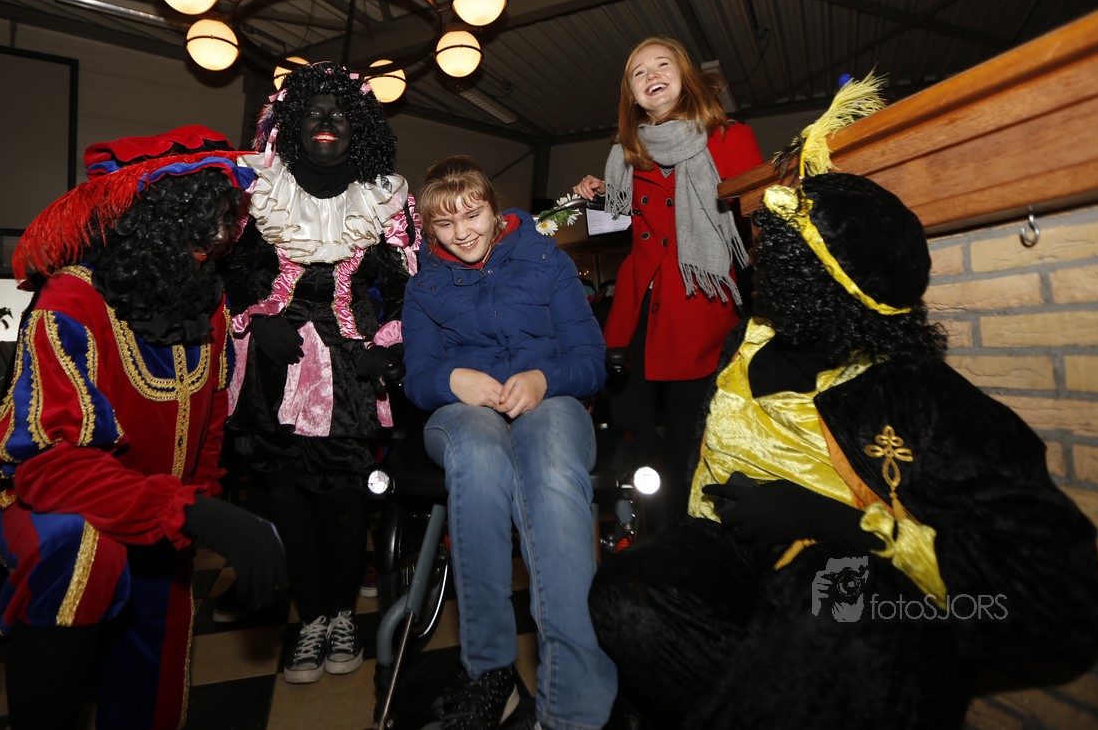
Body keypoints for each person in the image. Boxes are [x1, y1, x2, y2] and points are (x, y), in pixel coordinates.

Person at [587, 80, 1098, 729]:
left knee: (825, 609)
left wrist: (837, 523)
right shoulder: (742, 344)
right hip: (727, 556)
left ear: (822, 292)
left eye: (781, 260)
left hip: (840, 571)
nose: (759, 262)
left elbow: (1060, 602)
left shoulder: (917, 398)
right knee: (624, 594)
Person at [0, 125, 288, 730]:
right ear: (161, 218)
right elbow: (49, 467)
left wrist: (200, 502)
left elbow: (210, 418)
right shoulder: (71, 302)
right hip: (64, 514)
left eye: (230, 219)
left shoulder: (206, 299)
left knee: (152, 699)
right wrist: (193, 512)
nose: (224, 237)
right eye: (208, 219)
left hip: (161, 518)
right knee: (82, 550)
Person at [402, 155, 616, 730]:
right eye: (445, 223)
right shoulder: (423, 285)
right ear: (429, 228)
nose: (462, 232)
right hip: (463, 411)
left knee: (551, 474)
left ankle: (575, 708)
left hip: (551, 399)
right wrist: (452, 380)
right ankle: (490, 673)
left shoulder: (547, 260)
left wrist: (545, 378)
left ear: (495, 210)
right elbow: (416, 377)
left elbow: (590, 361)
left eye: (472, 215)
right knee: (478, 457)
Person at [220, 61, 417, 684]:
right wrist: (258, 318)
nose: (325, 122)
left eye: (340, 113)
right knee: (285, 496)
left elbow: (407, 285)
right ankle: (310, 619)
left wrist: (388, 344)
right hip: (272, 364)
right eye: (312, 112)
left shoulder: (386, 196)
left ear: (360, 127)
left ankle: (341, 615)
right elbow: (229, 268)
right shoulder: (258, 187)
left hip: (350, 365)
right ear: (291, 124)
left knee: (341, 499)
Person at [573, 37, 762, 517]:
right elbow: (628, 216)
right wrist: (600, 193)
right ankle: (650, 524)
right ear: (633, 96)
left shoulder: (729, 137)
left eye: (662, 65)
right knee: (631, 432)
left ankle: (689, 532)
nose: (651, 75)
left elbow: (759, 215)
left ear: (685, 77)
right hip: (636, 311)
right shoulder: (627, 153)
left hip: (698, 305)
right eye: (639, 72)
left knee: (690, 437)